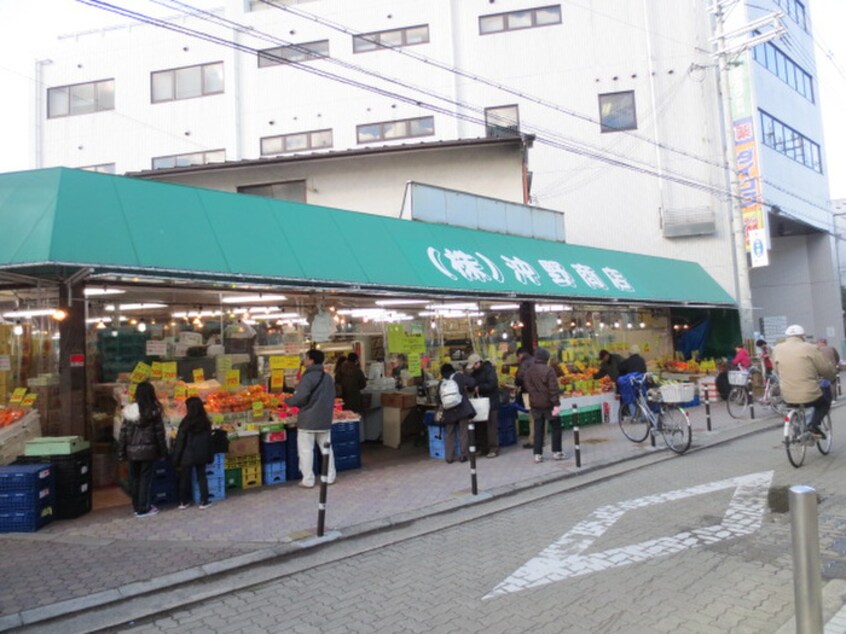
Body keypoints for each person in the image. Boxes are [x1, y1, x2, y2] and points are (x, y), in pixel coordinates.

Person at [285, 349, 337, 488]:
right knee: (326, 449)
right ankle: (330, 476)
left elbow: (300, 397)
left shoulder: (308, 378)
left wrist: (288, 401)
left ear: (311, 360)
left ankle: (308, 480)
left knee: (306, 450)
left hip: (308, 420)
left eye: (306, 358)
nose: (304, 360)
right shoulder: (327, 378)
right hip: (325, 419)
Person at [773, 324, 836, 438]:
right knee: (824, 403)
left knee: (794, 405)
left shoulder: (777, 348)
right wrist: (831, 377)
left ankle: (797, 427)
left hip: (787, 394)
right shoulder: (810, 347)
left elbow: (776, 369)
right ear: (802, 336)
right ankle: (813, 425)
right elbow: (824, 368)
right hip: (809, 394)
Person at [117, 381, 168, 518]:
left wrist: (121, 453)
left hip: (132, 452)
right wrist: (164, 452)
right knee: (146, 479)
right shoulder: (154, 411)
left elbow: (123, 434)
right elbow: (160, 434)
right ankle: (144, 508)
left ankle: (137, 507)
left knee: (135, 479)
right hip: (148, 451)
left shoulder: (130, 412)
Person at [523, 348, 566, 463]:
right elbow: (553, 389)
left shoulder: (529, 371)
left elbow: (528, 387)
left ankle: (537, 454)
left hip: (535, 404)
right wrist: (556, 403)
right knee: (556, 426)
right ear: (546, 359)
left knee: (538, 428)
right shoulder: (549, 370)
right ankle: (556, 452)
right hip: (549, 404)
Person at [171, 396, 213, 510]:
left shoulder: (186, 422)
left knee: (184, 478)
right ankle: (204, 501)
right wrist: (210, 455)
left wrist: (176, 457)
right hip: (201, 454)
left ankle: (183, 502)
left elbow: (180, 441)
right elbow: (209, 441)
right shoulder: (206, 422)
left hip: (187, 455)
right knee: (202, 476)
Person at [438, 363, 476, 464]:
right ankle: (464, 455)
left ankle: (449, 457)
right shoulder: (459, 377)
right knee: (464, 432)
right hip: (462, 409)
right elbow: (472, 382)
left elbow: (438, 399)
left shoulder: (442, 383)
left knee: (449, 433)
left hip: (448, 411)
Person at [467, 353, 500, 458]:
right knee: (480, 426)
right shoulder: (474, 373)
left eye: (474, 365)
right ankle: (483, 447)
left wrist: (479, 388)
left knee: (491, 426)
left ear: (478, 362)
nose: (473, 368)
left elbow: (492, 384)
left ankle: (493, 448)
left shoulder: (489, 370)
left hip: (491, 402)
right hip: (481, 403)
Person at [514, 346, 535, 449]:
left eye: (517, 357)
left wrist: (516, 384)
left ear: (520, 355)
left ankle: (533, 440)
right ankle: (542, 438)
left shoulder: (524, 362)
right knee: (540, 415)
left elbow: (519, 377)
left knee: (532, 416)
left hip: (528, 392)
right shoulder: (535, 360)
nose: (518, 359)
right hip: (538, 392)